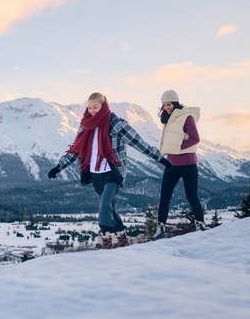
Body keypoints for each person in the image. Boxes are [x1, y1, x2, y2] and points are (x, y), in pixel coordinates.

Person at [48, 92, 171, 249]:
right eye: (89, 107)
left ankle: (106, 237)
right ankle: (122, 238)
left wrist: (160, 158)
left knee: (105, 203)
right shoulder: (85, 125)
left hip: (113, 171)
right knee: (110, 207)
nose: (92, 111)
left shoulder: (116, 123)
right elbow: (76, 149)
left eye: (95, 107)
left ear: (103, 105)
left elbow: (138, 143)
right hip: (95, 173)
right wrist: (59, 167)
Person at [154, 89, 205, 239]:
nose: (166, 107)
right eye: (164, 105)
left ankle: (201, 225)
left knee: (192, 196)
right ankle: (160, 229)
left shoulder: (186, 117)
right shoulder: (168, 119)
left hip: (188, 164)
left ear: (175, 103)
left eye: (169, 104)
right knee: (164, 196)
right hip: (172, 164)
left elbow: (195, 138)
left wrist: (177, 148)